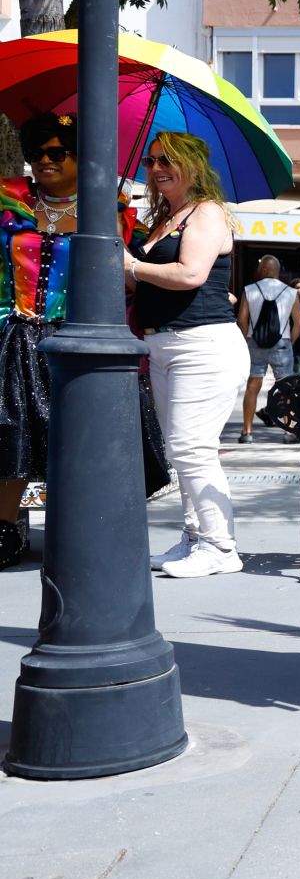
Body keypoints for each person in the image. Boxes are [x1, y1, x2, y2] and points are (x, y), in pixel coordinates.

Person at [0, 113, 164, 567]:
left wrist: (112, 219)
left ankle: (81, 533)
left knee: (80, 439)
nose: (43, 162)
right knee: (10, 434)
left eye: (56, 153)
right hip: (17, 336)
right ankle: (4, 532)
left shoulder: (106, 209)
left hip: (80, 339)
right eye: (36, 153)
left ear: (80, 158)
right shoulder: (9, 200)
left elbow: (121, 278)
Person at [126, 131, 249, 578]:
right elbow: (149, 280)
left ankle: (220, 547)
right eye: (152, 160)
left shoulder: (207, 212)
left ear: (194, 165)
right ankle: (195, 538)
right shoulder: (165, 218)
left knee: (192, 448)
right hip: (164, 344)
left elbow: (190, 273)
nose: (157, 168)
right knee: (183, 451)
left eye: (168, 161)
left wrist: (132, 266)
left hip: (203, 344)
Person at [235, 255, 300, 442]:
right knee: (286, 388)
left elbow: (242, 319)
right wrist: (290, 341)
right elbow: (298, 322)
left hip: (255, 343)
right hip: (282, 343)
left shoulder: (249, 290)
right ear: (277, 271)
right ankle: (289, 431)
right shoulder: (290, 292)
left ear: (264, 270)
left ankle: (247, 432)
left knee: (253, 386)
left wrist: (247, 339)